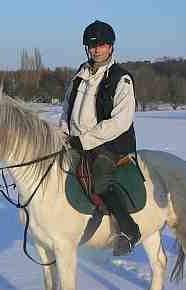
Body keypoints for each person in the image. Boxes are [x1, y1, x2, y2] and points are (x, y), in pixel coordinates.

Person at [59, 20, 141, 256]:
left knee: (101, 179)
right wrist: (65, 132)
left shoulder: (121, 78)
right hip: (75, 141)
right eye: (92, 46)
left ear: (111, 47)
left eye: (101, 45)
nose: (96, 50)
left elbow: (120, 121)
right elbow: (67, 108)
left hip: (110, 145)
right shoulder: (79, 76)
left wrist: (85, 141)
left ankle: (128, 229)